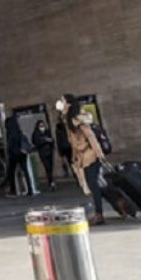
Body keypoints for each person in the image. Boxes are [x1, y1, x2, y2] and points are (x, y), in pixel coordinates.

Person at [58, 94, 108, 225]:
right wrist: (74, 156)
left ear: (68, 104)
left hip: (90, 155)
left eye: (62, 101)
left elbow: (90, 136)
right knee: (93, 185)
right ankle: (113, 203)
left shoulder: (77, 118)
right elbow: (73, 141)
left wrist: (99, 153)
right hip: (83, 156)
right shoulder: (68, 119)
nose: (60, 103)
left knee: (93, 184)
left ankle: (99, 214)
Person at [2, 115, 33, 197]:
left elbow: (10, 145)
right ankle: (30, 190)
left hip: (14, 154)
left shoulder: (10, 133)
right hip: (22, 153)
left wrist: (10, 153)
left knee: (11, 173)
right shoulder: (18, 131)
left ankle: (13, 190)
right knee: (25, 171)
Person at [31, 120, 57, 191]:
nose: (42, 127)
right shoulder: (36, 133)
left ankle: (51, 181)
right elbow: (35, 142)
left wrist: (50, 141)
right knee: (47, 167)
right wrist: (44, 140)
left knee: (50, 167)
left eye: (43, 125)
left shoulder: (47, 132)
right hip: (43, 152)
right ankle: (51, 182)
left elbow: (52, 140)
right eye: (40, 126)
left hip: (49, 152)